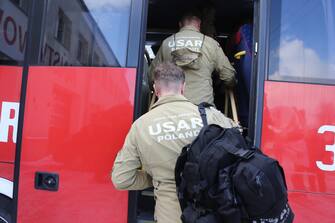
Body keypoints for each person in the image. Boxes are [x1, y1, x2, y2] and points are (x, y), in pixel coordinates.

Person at [112, 62, 237, 223]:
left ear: (156, 90)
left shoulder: (140, 126)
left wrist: (157, 178)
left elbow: (122, 179)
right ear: (183, 87)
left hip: (170, 215)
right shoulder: (210, 115)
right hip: (213, 211)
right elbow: (239, 147)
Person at [149, 11, 236, 105]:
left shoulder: (166, 43)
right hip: (202, 108)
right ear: (199, 25)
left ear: (180, 25)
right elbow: (228, 75)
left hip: (171, 105)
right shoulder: (211, 43)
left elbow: (151, 76)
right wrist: (230, 85)